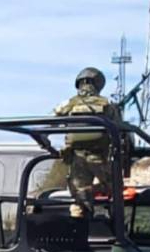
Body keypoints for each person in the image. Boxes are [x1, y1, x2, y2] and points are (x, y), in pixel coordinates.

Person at [53, 67, 126, 218]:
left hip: (76, 159)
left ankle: (78, 224)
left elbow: (52, 118)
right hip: (99, 158)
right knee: (116, 191)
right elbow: (120, 130)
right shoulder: (107, 105)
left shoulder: (69, 104)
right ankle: (116, 227)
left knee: (78, 201)